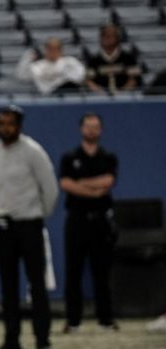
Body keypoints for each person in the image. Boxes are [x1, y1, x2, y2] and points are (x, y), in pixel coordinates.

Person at [0, 105, 59, 349]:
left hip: (29, 224)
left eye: (11, 123)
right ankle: (12, 339)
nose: (6, 128)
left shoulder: (33, 151)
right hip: (4, 226)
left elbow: (50, 188)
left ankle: (42, 339)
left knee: (36, 284)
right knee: (8, 286)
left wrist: (37, 215)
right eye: (2, 123)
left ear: (19, 125)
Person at [59, 113, 118, 334]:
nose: (92, 130)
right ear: (81, 128)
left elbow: (108, 181)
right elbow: (66, 184)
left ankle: (106, 320)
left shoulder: (108, 157)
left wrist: (81, 183)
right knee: (73, 272)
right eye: (88, 126)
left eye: (96, 127)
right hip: (76, 220)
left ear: (100, 130)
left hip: (101, 221)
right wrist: (94, 190)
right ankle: (73, 321)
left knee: (102, 272)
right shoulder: (69, 157)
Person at [85, 24, 142, 94]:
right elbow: (89, 81)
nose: (106, 38)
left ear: (117, 38)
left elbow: (134, 79)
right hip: (100, 98)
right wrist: (101, 93)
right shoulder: (94, 60)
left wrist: (122, 93)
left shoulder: (128, 58)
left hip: (126, 98)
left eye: (110, 36)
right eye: (103, 36)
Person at [16, 37, 85, 95]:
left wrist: (62, 79)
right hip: (48, 95)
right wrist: (28, 58)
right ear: (45, 50)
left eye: (56, 49)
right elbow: (22, 76)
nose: (53, 52)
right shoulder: (38, 66)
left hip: (69, 93)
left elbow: (81, 75)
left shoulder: (70, 62)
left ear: (61, 50)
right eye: (50, 49)